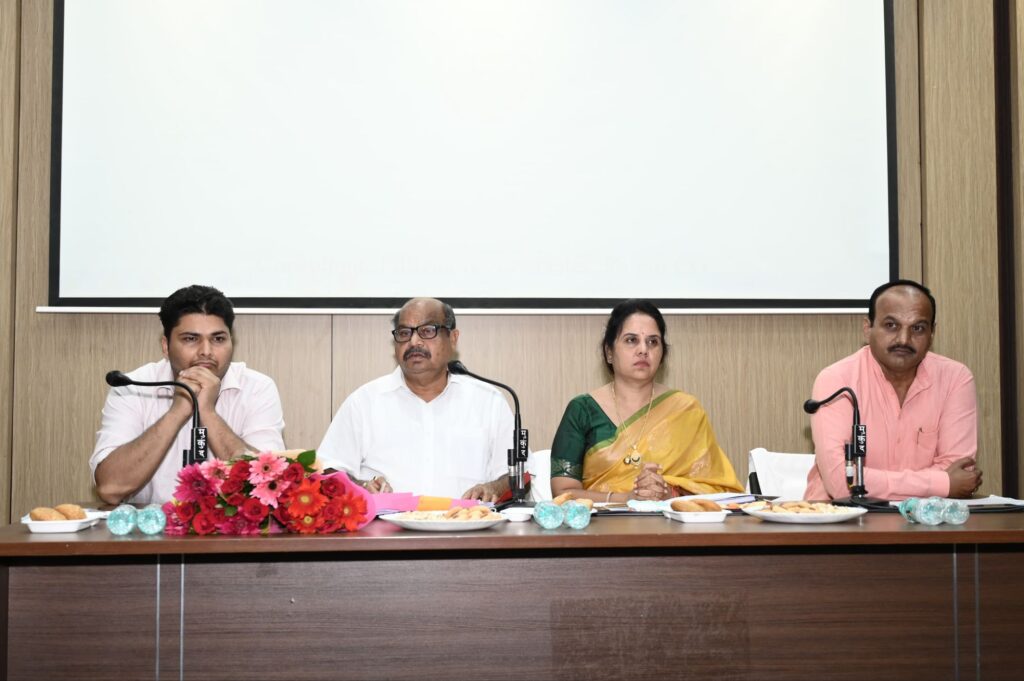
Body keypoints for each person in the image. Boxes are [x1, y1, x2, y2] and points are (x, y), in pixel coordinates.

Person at [91, 285, 286, 505]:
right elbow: (110, 488)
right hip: (153, 525)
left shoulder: (257, 388)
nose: (206, 351)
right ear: (166, 346)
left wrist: (207, 413)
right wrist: (178, 411)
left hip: (230, 525)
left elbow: (270, 485)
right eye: (191, 339)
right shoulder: (132, 387)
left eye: (218, 339)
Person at [316, 297, 512, 502]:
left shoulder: (488, 401)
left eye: (427, 331)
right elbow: (327, 470)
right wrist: (361, 486)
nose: (414, 342)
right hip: (384, 522)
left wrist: (494, 488)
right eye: (404, 333)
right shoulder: (364, 402)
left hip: (467, 520)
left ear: (453, 338)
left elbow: (518, 475)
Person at [550, 299, 743, 502]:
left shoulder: (686, 410)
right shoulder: (583, 410)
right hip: (603, 521)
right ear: (609, 352)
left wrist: (669, 493)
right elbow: (563, 492)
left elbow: (717, 490)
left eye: (653, 342)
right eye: (631, 340)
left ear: (662, 354)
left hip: (670, 521)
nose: (643, 349)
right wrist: (626, 498)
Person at [804, 280, 982, 501]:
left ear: (932, 333)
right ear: (867, 328)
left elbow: (960, 472)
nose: (904, 339)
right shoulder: (837, 381)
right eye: (891, 325)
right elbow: (842, 483)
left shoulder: (955, 379)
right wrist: (941, 483)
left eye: (918, 328)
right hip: (843, 517)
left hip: (927, 518)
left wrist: (873, 481)